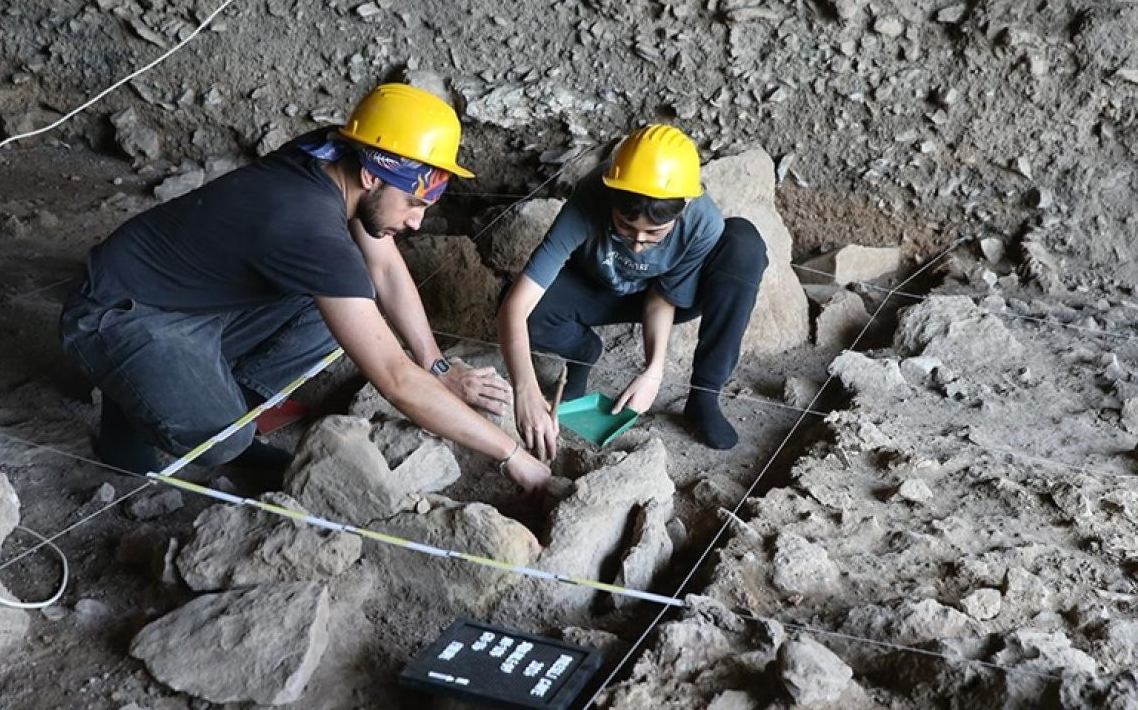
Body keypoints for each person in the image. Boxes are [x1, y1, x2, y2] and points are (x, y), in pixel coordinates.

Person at [60, 83, 551, 493]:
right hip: (119, 313)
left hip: (192, 294)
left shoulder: (331, 154)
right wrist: (512, 456)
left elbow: (382, 267)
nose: (418, 222)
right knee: (223, 441)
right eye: (413, 203)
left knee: (337, 306)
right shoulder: (307, 226)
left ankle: (206, 393)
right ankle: (138, 403)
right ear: (370, 175)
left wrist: (437, 365)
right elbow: (395, 381)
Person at [498, 124, 768, 459]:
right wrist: (525, 390)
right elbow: (517, 305)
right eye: (625, 227)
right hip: (598, 286)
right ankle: (581, 354)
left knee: (744, 244)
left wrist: (654, 371)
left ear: (683, 207)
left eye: (654, 233)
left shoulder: (702, 220)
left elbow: (664, 296)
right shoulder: (590, 196)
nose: (639, 245)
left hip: (661, 295)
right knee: (525, 311)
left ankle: (703, 396)